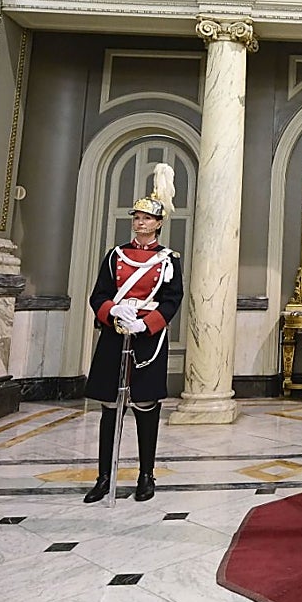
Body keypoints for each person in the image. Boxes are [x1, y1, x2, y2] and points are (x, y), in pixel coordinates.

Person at [83, 163, 184, 503]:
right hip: (116, 334)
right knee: (110, 408)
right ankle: (103, 475)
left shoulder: (169, 260)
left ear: (158, 223)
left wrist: (148, 322)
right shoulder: (115, 256)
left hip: (147, 338)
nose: (140, 223)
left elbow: (173, 299)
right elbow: (98, 295)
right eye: (136, 218)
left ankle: (146, 474)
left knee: (145, 406)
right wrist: (113, 312)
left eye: (146, 218)